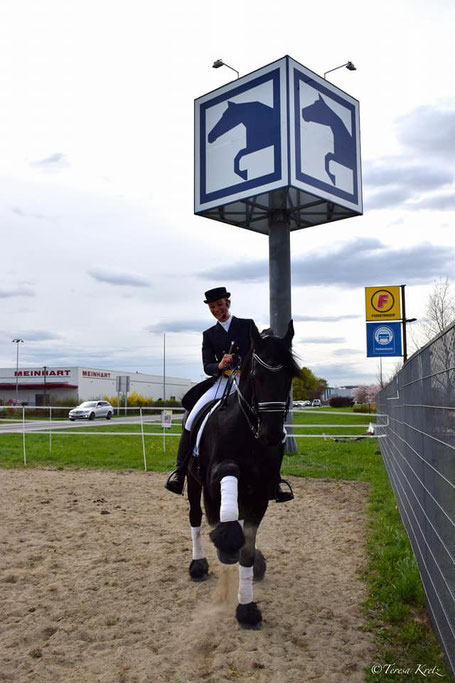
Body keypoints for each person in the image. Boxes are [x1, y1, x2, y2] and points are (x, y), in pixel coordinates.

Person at [165, 287, 293, 503]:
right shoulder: (209, 334)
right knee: (192, 415)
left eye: (220, 305)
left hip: (247, 382)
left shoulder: (246, 325)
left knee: (273, 424)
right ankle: (180, 472)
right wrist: (219, 364)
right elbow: (207, 365)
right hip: (222, 381)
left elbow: (260, 349)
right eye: (213, 307)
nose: (217, 309)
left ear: (228, 304)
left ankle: (276, 480)